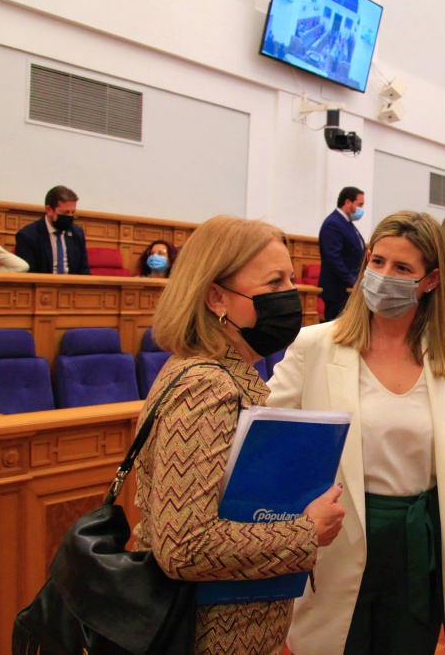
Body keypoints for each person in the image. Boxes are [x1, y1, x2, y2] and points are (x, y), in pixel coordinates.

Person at [268, 211, 445, 655]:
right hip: (339, 534)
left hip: (419, 539)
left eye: (402, 268)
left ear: (431, 280)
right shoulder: (316, 344)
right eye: (377, 261)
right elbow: (269, 437)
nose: (383, 275)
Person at [132, 215, 346, 655]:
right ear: (217, 297)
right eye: (274, 282)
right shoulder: (207, 388)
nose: (290, 294)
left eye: (291, 279)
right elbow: (184, 547)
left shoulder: (220, 372)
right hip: (209, 636)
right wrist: (306, 531)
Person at [14, 185, 91, 274]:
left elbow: (84, 270)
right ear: (49, 210)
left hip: (72, 282)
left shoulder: (77, 233)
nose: (70, 217)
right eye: (65, 213)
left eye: (72, 212)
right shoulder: (28, 236)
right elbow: (29, 274)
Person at [317, 186, 367, 321]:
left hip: (347, 291)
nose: (362, 209)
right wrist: (351, 281)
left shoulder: (346, 223)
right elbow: (333, 258)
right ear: (347, 202)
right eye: (360, 204)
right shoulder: (333, 223)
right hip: (337, 290)